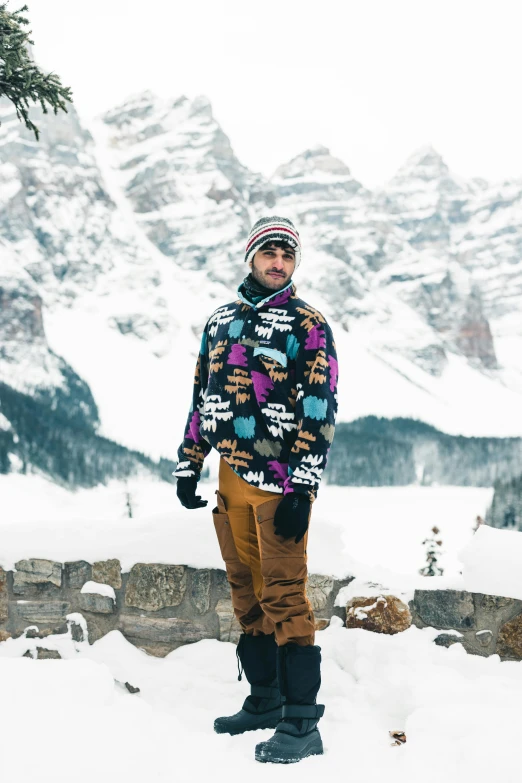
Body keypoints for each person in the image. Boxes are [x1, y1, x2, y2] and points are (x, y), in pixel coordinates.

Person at [174, 216, 338, 764]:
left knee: (286, 595)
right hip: (230, 479)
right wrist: (189, 461)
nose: (278, 263)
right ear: (250, 257)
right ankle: (265, 699)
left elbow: (319, 410)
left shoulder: (307, 324)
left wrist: (303, 486)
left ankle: (301, 724)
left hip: (281, 485)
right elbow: (204, 394)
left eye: (287, 256)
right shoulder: (219, 322)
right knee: (246, 590)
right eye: (269, 253)